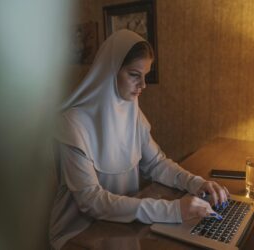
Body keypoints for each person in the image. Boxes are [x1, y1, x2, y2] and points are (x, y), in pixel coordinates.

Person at [49, 29, 229, 250]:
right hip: (79, 235)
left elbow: (157, 163)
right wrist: (172, 210)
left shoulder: (133, 113)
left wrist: (196, 183)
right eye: (134, 75)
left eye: (145, 75)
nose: (143, 85)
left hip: (123, 226)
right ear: (110, 71)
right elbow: (91, 201)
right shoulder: (72, 124)